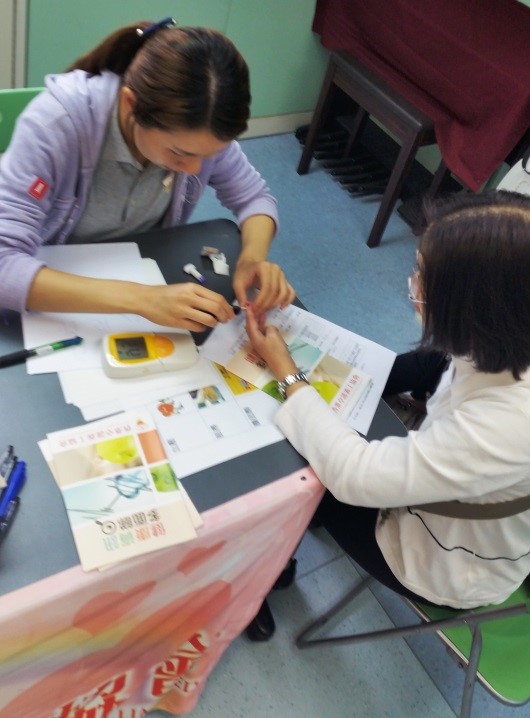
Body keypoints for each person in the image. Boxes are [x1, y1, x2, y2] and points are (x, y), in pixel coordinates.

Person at [245, 190, 530, 617]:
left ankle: (261, 578)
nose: (412, 283)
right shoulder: (510, 326)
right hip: (456, 488)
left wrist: (288, 373)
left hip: (438, 560)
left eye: (422, 274)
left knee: (300, 469)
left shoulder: (507, 424)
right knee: (405, 373)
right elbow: (440, 363)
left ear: (473, 306)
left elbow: (353, 474)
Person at [0, 18, 295, 331]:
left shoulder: (199, 131)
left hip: (137, 264)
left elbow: (254, 197)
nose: (195, 169)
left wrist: (252, 258)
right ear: (131, 104)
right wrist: (141, 299)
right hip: (56, 283)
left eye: (208, 155)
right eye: (179, 153)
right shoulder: (56, 125)